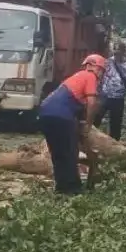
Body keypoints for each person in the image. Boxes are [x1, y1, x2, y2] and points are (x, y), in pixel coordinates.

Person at [37, 54, 107, 195]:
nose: (101, 74)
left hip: (44, 113)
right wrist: (88, 125)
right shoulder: (90, 76)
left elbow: (75, 102)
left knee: (58, 153)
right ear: (95, 68)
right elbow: (92, 103)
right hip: (60, 115)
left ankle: (61, 187)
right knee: (70, 152)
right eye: (101, 70)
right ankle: (72, 188)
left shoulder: (76, 77)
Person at [95, 42, 126, 140]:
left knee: (116, 124)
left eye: (119, 51)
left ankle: (114, 143)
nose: (116, 53)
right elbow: (99, 76)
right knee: (96, 119)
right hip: (105, 96)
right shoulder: (107, 62)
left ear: (123, 52)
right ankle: (91, 139)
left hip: (118, 98)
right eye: (115, 51)